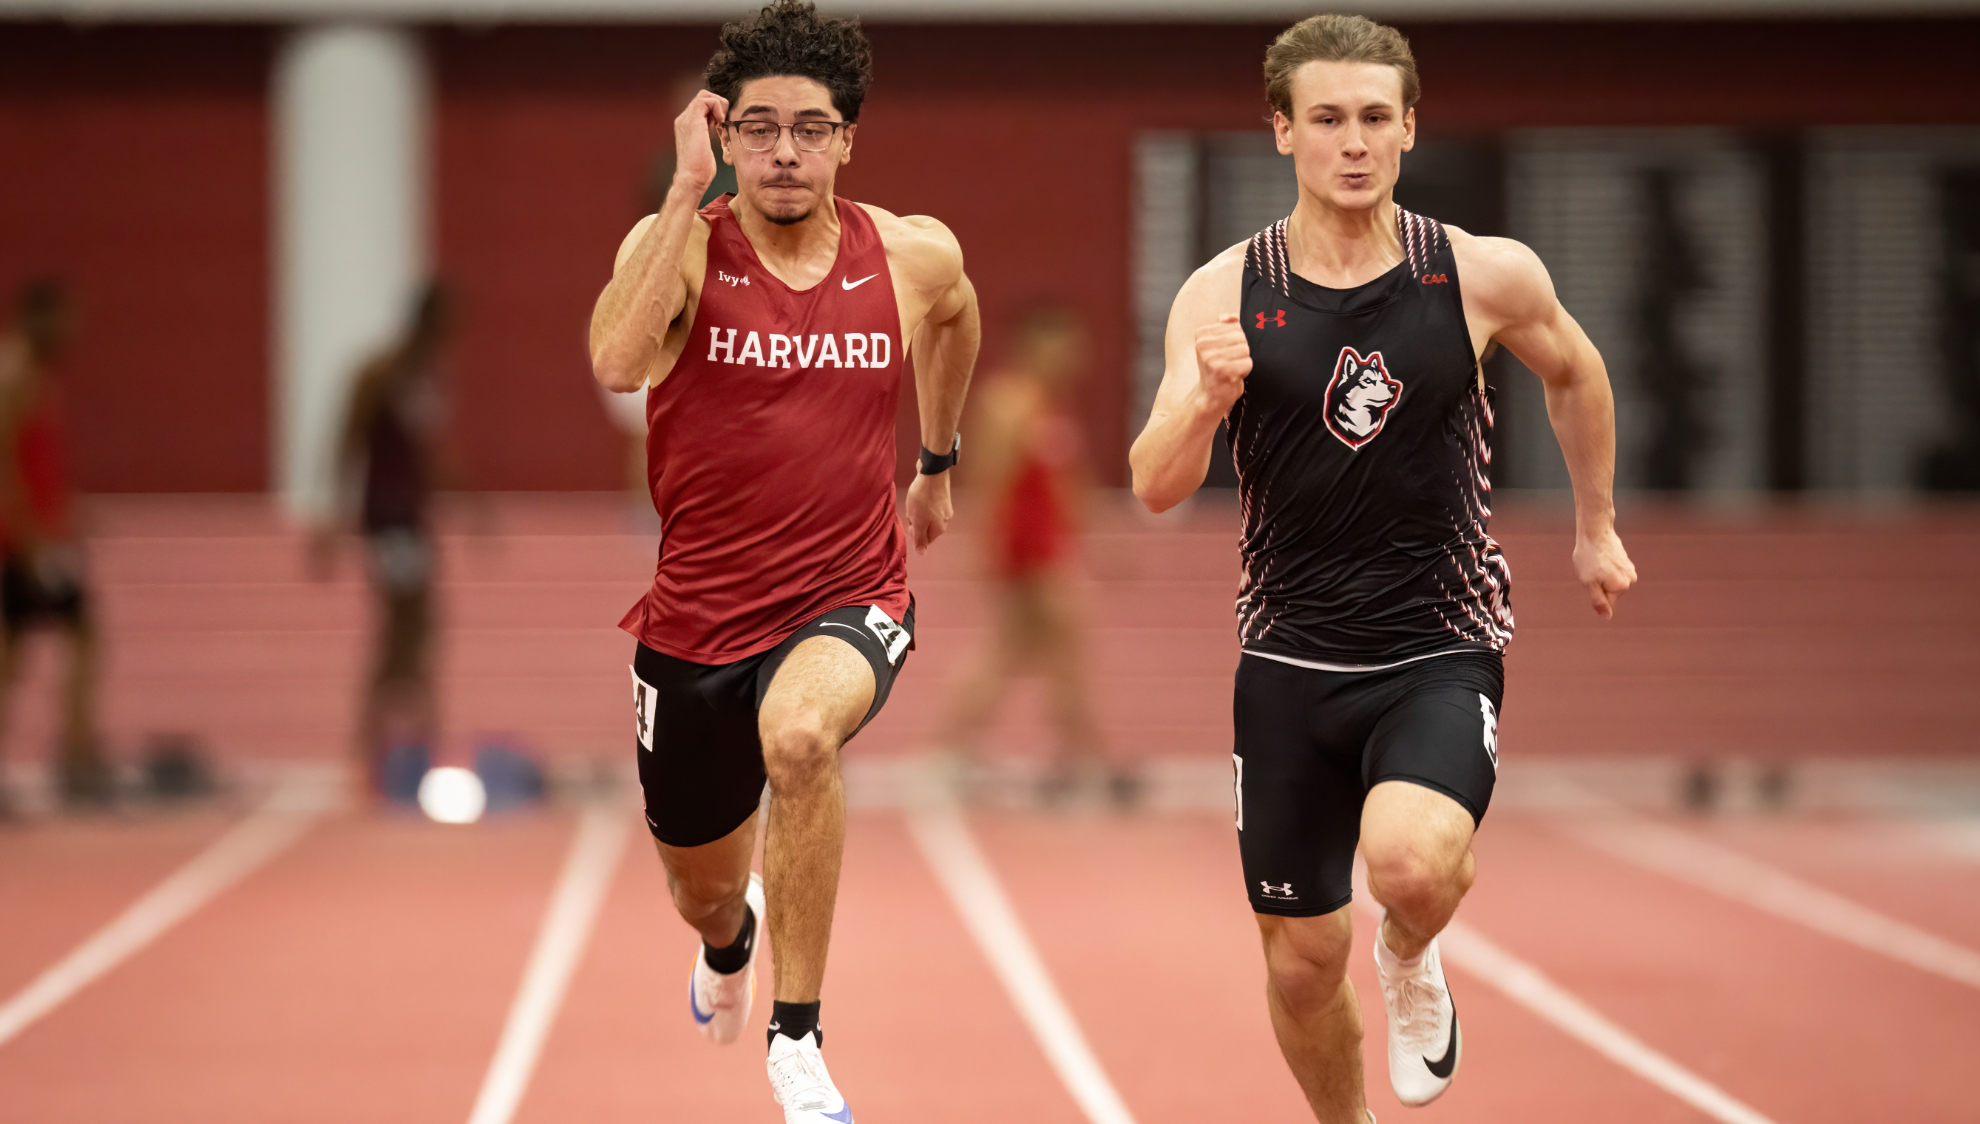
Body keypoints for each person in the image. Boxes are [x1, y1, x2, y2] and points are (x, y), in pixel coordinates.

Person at [1129, 16, 1636, 1124]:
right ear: (1281, 132)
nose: (1350, 142)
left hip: (1435, 646)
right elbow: (1153, 483)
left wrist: (1592, 524)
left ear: (1407, 127)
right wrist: (1203, 404)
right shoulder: (1223, 292)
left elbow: (1578, 373)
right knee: (1303, 961)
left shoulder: (1479, 275)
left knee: (1406, 864)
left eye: (1371, 118)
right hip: (1284, 662)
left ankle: (1409, 951)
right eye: (1324, 119)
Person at [586, 4, 978, 1121]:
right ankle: (731, 941)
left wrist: (936, 461)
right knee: (698, 888)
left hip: (847, 590)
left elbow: (955, 316)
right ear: (722, 134)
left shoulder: (909, 253)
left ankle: (797, 1037)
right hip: (696, 621)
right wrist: (678, 194)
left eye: (810, 129)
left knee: (801, 737)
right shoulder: (683, 246)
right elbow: (617, 360)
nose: (784, 153)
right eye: (757, 129)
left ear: (848, 137)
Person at [933, 307, 1127, 805]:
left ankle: (951, 755)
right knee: (1061, 652)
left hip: (1049, 548)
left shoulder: (1053, 405)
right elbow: (989, 478)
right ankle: (1086, 763)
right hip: (1026, 551)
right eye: (1062, 346)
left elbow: (1068, 484)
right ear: (1035, 346)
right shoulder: (1008, 401)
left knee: (1010, 654)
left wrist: (1098, 541)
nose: (1072, 357)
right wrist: (983, 551)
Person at [320, 284, 453, 799]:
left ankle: (408, 745)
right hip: (387, 521)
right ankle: (373, 747)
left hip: (411, 521)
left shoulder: (424, 379)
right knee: (402, 628)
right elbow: (346, 440)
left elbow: (429, 454)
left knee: (419, 629)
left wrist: (469, 502)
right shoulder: (380, 374)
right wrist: (330, 519)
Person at [0, 279, 108, 810]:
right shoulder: (15, 373)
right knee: (80, 637)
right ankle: (76, 757)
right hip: (16, 544)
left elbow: (33, 463)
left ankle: (76, 754)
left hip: (32, 535)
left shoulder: (37, 376)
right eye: (64, 321)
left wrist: (66, 511)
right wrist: (33, 540)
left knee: (17, 653)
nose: (72, 334)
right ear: (38, 318)